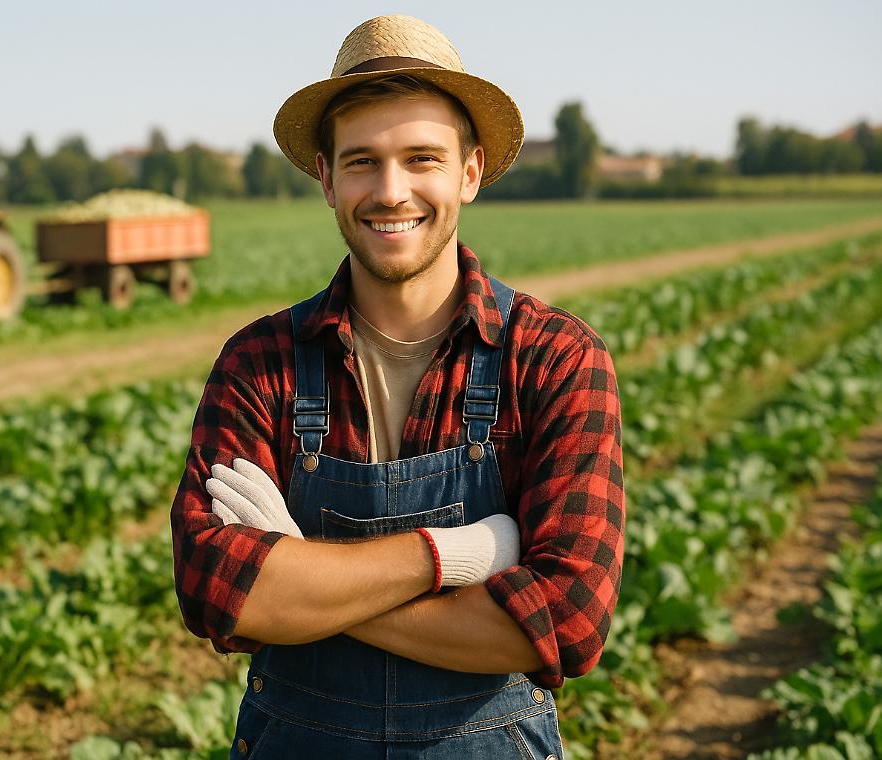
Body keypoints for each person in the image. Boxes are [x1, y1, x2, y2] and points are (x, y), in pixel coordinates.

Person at [170, 14, 624, 758]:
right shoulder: (259, 365)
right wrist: (458, 556)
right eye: (361, 161)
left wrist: (301, 569)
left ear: (469, 172)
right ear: (325, 178)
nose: (390, 191)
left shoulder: (553, 360)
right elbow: (220, 591)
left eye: (421, 158)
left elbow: (565, 620)